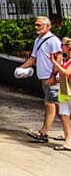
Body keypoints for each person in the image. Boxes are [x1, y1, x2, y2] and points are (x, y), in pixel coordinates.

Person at [20, 15, 63, 143]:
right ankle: (68, 132)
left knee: (49, 104)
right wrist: (20, 68)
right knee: (60, 107)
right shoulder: (38, 40)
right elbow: (33, 58)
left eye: (39, 25)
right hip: (44, 77)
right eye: (36, 25)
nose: (36, 27)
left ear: (48, 26)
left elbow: (59, 58)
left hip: (52, 78)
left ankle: (43, 133)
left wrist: (53, 76)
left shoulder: (53, 40)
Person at [48, 37, 71, 152]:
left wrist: (54, 62)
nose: (61, 48)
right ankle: (68, 141)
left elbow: (66, 72)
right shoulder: (67, 60)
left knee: (67, 115)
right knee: (65, 115)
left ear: (68, 47)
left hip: (69, 91)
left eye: (63, 46)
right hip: (64, 91)